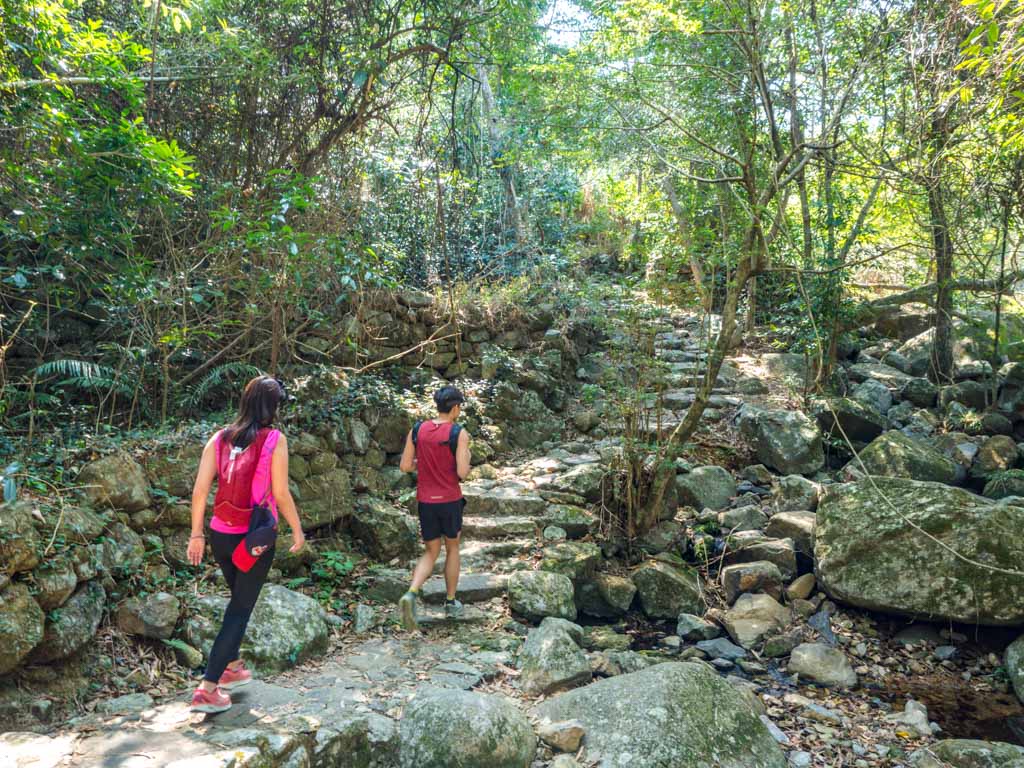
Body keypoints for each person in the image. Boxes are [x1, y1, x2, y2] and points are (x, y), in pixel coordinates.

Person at [186, 375, 305, 713]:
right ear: (274, 406)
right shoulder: (274, 439)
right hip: (253, 537)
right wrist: (297, 529)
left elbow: (199, 491)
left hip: (220, 534)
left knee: (237, 599)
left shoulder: (220, 438)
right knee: (239, 610)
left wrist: (196, 535)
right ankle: (208, 688)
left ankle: (231, 667)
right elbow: (280, 494)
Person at [397, 385, 471, 630]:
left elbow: (405, 466)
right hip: (449, 500)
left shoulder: (418, 429)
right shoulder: (459, 433)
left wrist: (425, 464)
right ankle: (450, 601)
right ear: (456, 408)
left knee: (430, 551)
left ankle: (411, 593)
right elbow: (462, 472)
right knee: (452, 549)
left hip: (426, 501)